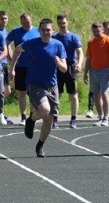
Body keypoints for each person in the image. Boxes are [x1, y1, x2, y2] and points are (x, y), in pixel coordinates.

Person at [9, 18, 68, 158]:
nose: (46, 32)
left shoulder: (58, 45)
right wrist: (12, 68)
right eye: (43, 30)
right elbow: (17, 50)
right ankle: (31, 120)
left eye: (48, 30)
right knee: (45, 109)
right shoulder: (32, 43)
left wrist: (59, 63)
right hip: (35, 84)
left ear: (53, 31)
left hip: (52, 85)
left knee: (49, 120)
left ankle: (40, 145)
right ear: (39, 31)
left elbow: (64, 69)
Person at [83, 22, 109, 126]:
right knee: (96, 94)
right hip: (94, 71)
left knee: (104, 93)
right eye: (94, 31)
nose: (96, 33)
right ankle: (100, 116)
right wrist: (85, 73)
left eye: (98, 31)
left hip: (105, 70)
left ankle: (106, 118)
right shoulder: (91, 42)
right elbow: (88, 58)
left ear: (103, 30)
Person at [6, 13, 40, 124]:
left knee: (33, 92)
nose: (26, 24)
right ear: (21, 22)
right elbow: (6, 43)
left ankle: (32, 115)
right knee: (22, 92)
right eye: (24, 22)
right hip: (20, 66)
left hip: (34, 66)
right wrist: (11, 59)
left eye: (28, 22)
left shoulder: (37, 31)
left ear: (32, 21)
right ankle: (23, 117)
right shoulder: (16, 31)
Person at [53, 13, 84, 129]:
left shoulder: (73, 37)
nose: (62, 25)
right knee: (57, 94)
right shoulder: (54, 37)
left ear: (68, 23)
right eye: (60, 23)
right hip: (58, 66)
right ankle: (55, 119)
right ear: (57, 24)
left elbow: (80, 52)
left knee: (73, 94)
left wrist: (79, 64)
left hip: (70, 66)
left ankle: (73, 119)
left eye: (64, 23)